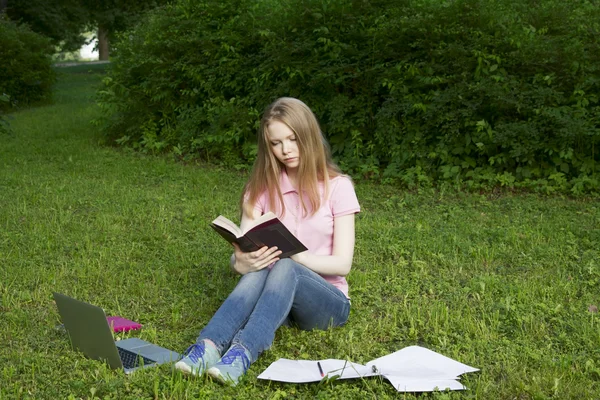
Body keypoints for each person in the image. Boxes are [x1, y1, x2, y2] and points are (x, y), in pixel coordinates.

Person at [174, 97, 360, 385]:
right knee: (264, 266)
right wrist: (241, 261)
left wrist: (297, 258)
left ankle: (242, 353)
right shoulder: (261, 187)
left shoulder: (339, 187)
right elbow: (245, 246)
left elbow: (343, 264)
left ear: (308, 136)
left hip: (328, 302)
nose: (285, 150)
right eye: (276, 143)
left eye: (293, 139)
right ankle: (207, 347)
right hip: (277, 300)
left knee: (285, 264)